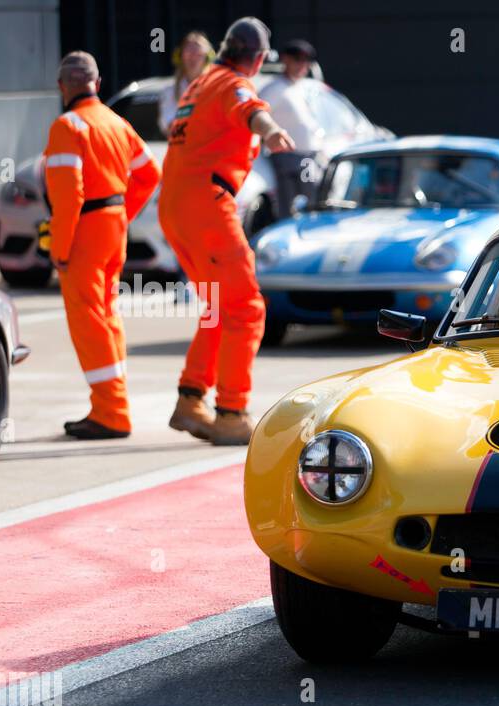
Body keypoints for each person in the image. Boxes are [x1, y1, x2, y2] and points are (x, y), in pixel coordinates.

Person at [159, 16, 295, 445]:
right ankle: (232, 412)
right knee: (247, 309)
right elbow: (249, 110)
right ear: (255, 60)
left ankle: (190, 399)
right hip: (206, 207)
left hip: (177, 208)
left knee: (218, 306)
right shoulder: (234, 83)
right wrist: (271, 130)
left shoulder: (200, 83)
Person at [43, 51, 160, 440]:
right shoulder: (116, 122)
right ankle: (111, 405)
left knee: (89, 320)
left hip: (86, 232)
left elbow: (69, 196)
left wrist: (59, 249)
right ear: (98, 83)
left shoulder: (67, 126)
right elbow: (149, 173)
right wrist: (123, 213)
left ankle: (110, 412)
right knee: (107, 316)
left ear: (63, 87)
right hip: (113, 229)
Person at [257, 39, 323, 215]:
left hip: (307, 158)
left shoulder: (301, 86)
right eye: (298, 60)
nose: (303, 66)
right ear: (285, 59)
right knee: (293, 210)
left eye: (307, 62)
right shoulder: (274, 88)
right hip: (289, 160)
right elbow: (255, 117)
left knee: (313, 207)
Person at [158, 31, 214, 137]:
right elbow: (170, 126)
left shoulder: (216, 88)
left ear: (207, 57)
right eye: (189, 53)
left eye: (197, 54)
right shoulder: (170, 91)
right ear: (180, 56)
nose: (193, 58)